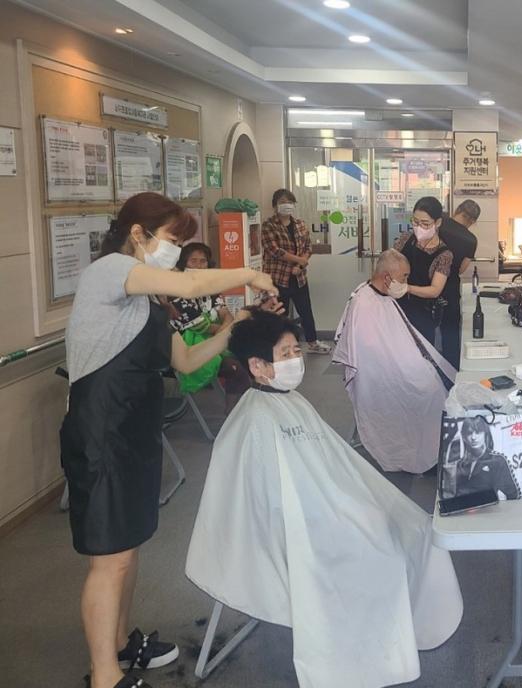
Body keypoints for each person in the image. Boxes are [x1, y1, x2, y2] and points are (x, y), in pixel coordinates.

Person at [59, 192, 277, 688]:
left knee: (128, 545)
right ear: (137, 234)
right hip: (101, 430)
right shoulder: (111, 272)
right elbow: (192, 282)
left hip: (135, 427)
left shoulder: (147, 295)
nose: (175, 251)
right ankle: (105, 675)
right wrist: (248, 274)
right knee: (109, 558)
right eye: (172, 239)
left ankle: (120, 643)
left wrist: (236, 327)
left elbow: (185, 361)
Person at [185, 310, 463, 688]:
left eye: (296, 351)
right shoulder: (252, 421)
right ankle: (372, 656)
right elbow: (268, 504)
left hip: (323, 506)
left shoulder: (291, 402)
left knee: (415, 526)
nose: (295, 361)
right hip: (294, 529)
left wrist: (354, 502)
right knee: (380, 552)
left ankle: (408, 626)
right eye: (285, 354)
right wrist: (339, 515)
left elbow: (332, 465)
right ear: (257, 366)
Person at [333, 249, 456, 474]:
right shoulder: (364, 302)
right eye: (404, 277)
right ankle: (421, 452)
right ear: (387, 277)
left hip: (395, 362)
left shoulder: (381, 296)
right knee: (427, 389)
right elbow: (370, 351)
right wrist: (404, 365)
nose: (406, 282)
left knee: (434, 380)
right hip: (378, 372)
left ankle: (432, 446)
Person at [168, 242, 251, 413]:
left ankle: (240, 414)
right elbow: (202, 326)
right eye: (193, 261)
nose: (199, 266)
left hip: (215, 341)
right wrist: (224, 332)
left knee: (250, 357)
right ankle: (232, 416)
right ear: (183, 264)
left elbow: (226, 314)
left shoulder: (211, 288)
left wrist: (221, 332)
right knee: (237, 369)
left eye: (203, 261)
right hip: (188, 350)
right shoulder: (176, 292)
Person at [261, 188, 330, 354]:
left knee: (306, 311)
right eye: (283, 202)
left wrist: (300, 266)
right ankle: (279, 346)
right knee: (279, 313)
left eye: (290, 202)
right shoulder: (269, 225)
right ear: (275, 206)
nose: (287, 205)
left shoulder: (300, 224)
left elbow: (308, 247)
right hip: (278, 278)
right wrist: (299, 260)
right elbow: (275, 251)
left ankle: (313, 342)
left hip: (298, 277)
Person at [394, 196, 453, 346]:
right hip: (397, 308)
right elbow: (390, 262)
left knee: (421, 353)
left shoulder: (444, 255)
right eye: (415, 222)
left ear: (438, 223)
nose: (419, 227)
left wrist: (407, 288)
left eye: (425, 224)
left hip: (423, 313)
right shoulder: (405, 239)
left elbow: (435, 290)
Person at [439, 200, 480, 369]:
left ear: (457, 210)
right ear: (473, 221)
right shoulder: (470, 240)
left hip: (425, 283)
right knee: (450, 331)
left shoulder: (439, 223)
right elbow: (462, 269)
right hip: (449, 287)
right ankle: (450, 368)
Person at [442, 417, 520, 500]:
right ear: (464, 436)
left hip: (487, 507)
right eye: (469, 433)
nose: (473, 437)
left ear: (485, 434)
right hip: (462, 507)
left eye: (478, 432)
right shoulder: (460, 463)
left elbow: (514, 495)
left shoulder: (497, 460)